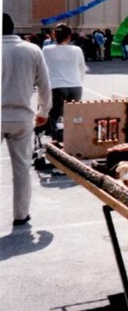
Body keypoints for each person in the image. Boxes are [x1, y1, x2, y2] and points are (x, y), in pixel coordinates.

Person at [2, 13, 52, 226]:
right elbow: (44, 84)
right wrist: (43, 111)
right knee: (22, 168)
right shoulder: (32, 50)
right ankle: (20, 215)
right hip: (21, 116)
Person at [42, 23, 87, 137]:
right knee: (72, 115)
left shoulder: (47, 49)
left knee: (54, 114)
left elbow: (43, 69)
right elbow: (82, 68)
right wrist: (78, 81)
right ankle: (71, 138)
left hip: (56, 85)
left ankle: (55, 139)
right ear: (69, 36)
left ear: (54, 35)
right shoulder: (77, 50)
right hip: (75, 86)